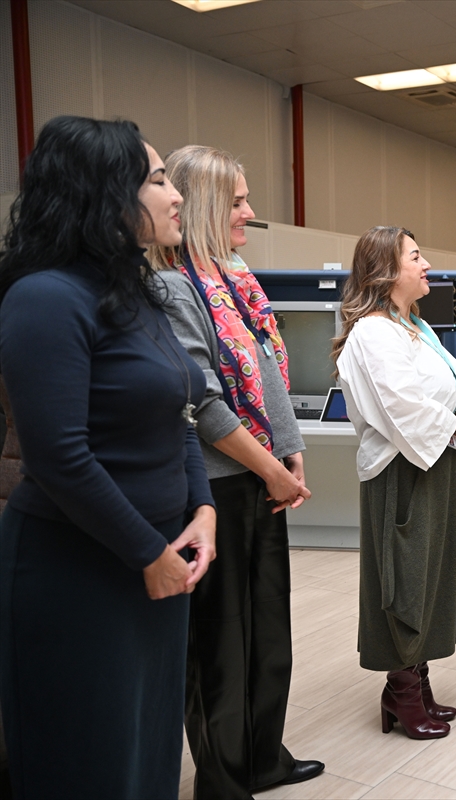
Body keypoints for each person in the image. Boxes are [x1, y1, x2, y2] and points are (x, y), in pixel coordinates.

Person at [0, 115, 216, 797]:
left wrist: (203, 507)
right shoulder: (45, 297)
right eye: (157, 180)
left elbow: (180, 412)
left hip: (158, 563)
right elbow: (58, 456)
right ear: (103, 194)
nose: (176, 195)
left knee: (147, 754)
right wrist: (147, 553)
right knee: (88, 761)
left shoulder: (136, 294)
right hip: (81, 568)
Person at [150, 145, 323, 797]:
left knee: (268, 629)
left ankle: (263, 758)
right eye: (238, 202)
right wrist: (271, 467)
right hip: (216, 486)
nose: (250, 212)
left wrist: (289, 448)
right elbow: (202, 401)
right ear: (202, 206)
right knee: (220, 645)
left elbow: (267, 370)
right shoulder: (172, 287)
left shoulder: (232, 279)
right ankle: (223, 781)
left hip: (261, 473)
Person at [334, 226, 456, 741]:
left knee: (433, 576)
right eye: (416, 257)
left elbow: (439, 392)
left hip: (438, 460)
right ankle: (402, 691)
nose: (427, 266)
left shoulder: (415, 326)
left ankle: (415, 683)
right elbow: (400, 407)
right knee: (403, 579)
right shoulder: (373, 332)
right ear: (386, 269)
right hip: (403, 469)